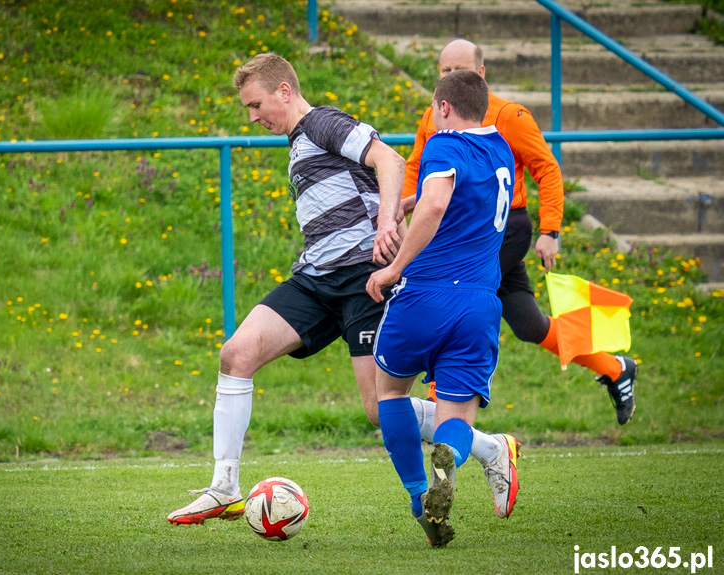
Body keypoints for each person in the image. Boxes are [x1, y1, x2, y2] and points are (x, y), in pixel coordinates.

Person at [167, 52, 410, 525]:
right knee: (236, 355)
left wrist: (385, 223)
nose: (253, 117)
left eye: (256, 105)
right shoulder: (300, 140)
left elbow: (389, 158)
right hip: (316, 279)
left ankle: (487, 446)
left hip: (363, 278)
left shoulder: (321, 123)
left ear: (283, 90)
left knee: (381, 410)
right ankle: (225, 488)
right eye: (247, 110)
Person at [404, 39, 637, 427]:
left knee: (452, 297)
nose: (450, 77)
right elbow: (415, 166)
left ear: (481, 73)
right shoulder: (434, 116)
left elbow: (547, 168)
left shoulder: (509, 116)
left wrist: (551, 231)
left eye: (458, 70)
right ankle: (615, 368)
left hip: (503, 228)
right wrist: (409, 219)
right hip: (460, 228)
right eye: (444, 71)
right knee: (529, 326)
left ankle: (440, 405)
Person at [367, 69, 518, 547]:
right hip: (478, 305)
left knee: (389, 395)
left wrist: (394, 268)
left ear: (445, 108)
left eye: (433, 110)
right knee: (456, 418)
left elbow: (436, 205)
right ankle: (447, 463)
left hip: (425, 295)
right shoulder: (500, 149)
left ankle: (418, 496)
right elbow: (453, 197)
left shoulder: (443, 142)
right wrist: (411, 200)